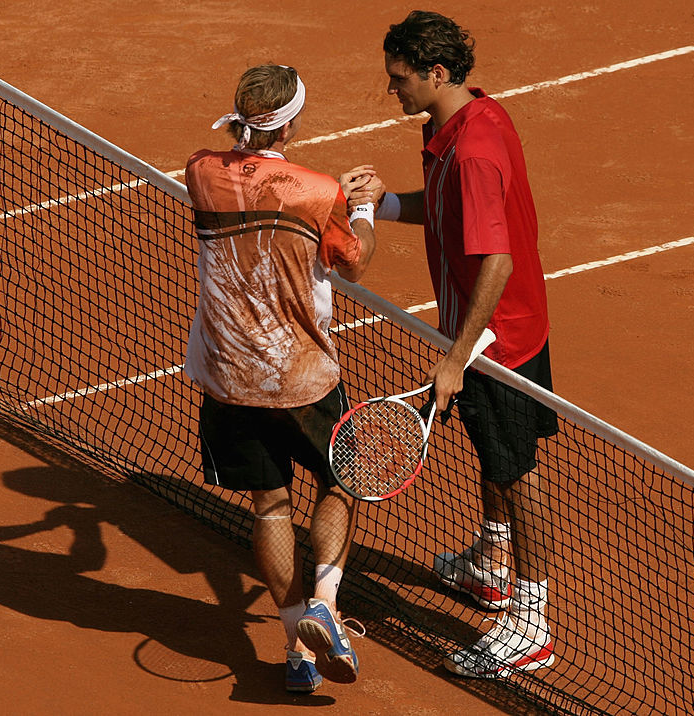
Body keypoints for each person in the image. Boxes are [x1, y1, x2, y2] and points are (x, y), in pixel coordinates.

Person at [345, 11, 558, 679]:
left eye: (400, 79)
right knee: (495, 460)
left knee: (514, 475)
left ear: (436, 73)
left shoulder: (473, 152)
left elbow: (494, 262)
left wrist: (457, 356)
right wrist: (383, 203)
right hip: (486, 332)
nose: (392, 90)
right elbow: (442, 210)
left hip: (500, 343)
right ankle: (488, 565)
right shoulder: (455, 126)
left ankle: (531, 619)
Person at [184, 64, 377, 693]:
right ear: (292, 121)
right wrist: (364, 207)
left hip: (225, 373)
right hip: (300, 377)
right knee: (343, 485)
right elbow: (353, 267)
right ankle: (324, 601)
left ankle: (297, 650)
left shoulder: (200, 171)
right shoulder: (320, 191)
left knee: (270, 507)